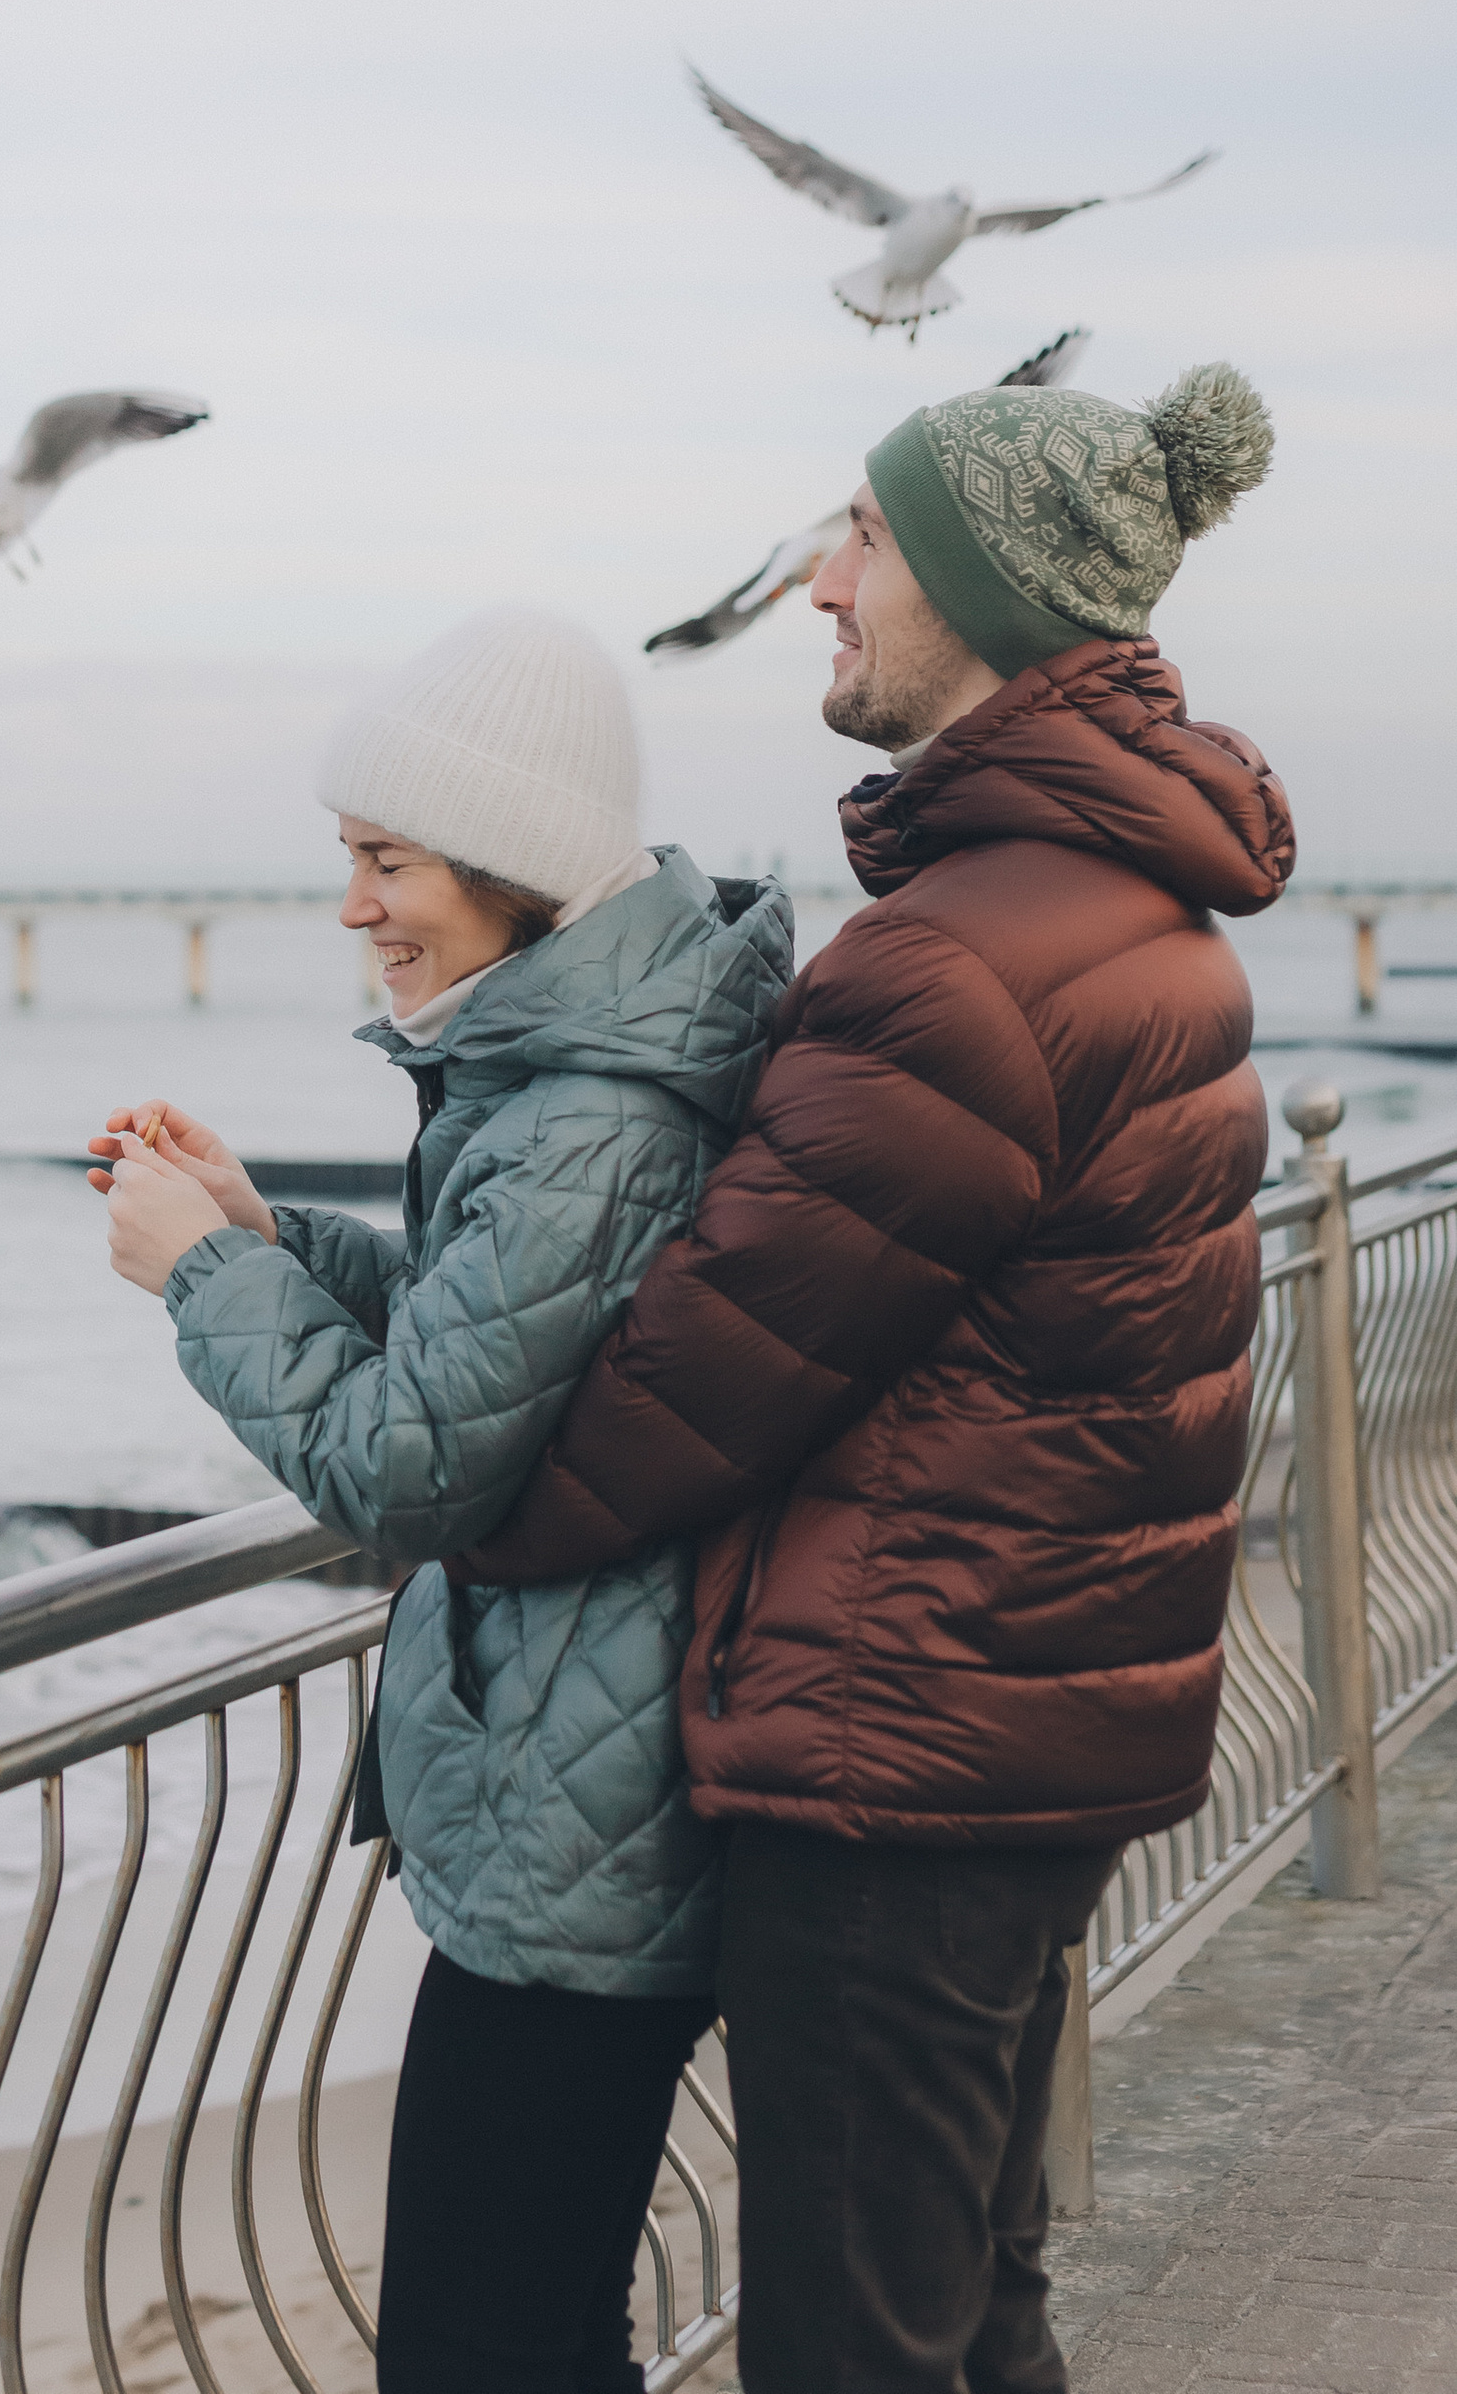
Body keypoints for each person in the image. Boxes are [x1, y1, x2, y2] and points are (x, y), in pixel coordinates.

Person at [449, 362, 1292, 2394]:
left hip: (895, 1747)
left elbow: (702, 1373)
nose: (821, 578)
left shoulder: (956, 961)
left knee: (852, 2346)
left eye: (865, 536)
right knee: (957, 2310)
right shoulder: (1124, 911)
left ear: (985, 597)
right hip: (1019, 1714)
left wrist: (462, 1520)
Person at [91, 603, 791, 2394]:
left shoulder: (591, 1120)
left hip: (586, 1823)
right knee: (542, 2336)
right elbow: (492, 1343)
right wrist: (264, 1232)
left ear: (516, 866)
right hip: (590, 1786)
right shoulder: (579, 1078)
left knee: (479, 2355)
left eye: (381, 860)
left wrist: (201, 1285)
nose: (352, 908)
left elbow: (409, 1466)